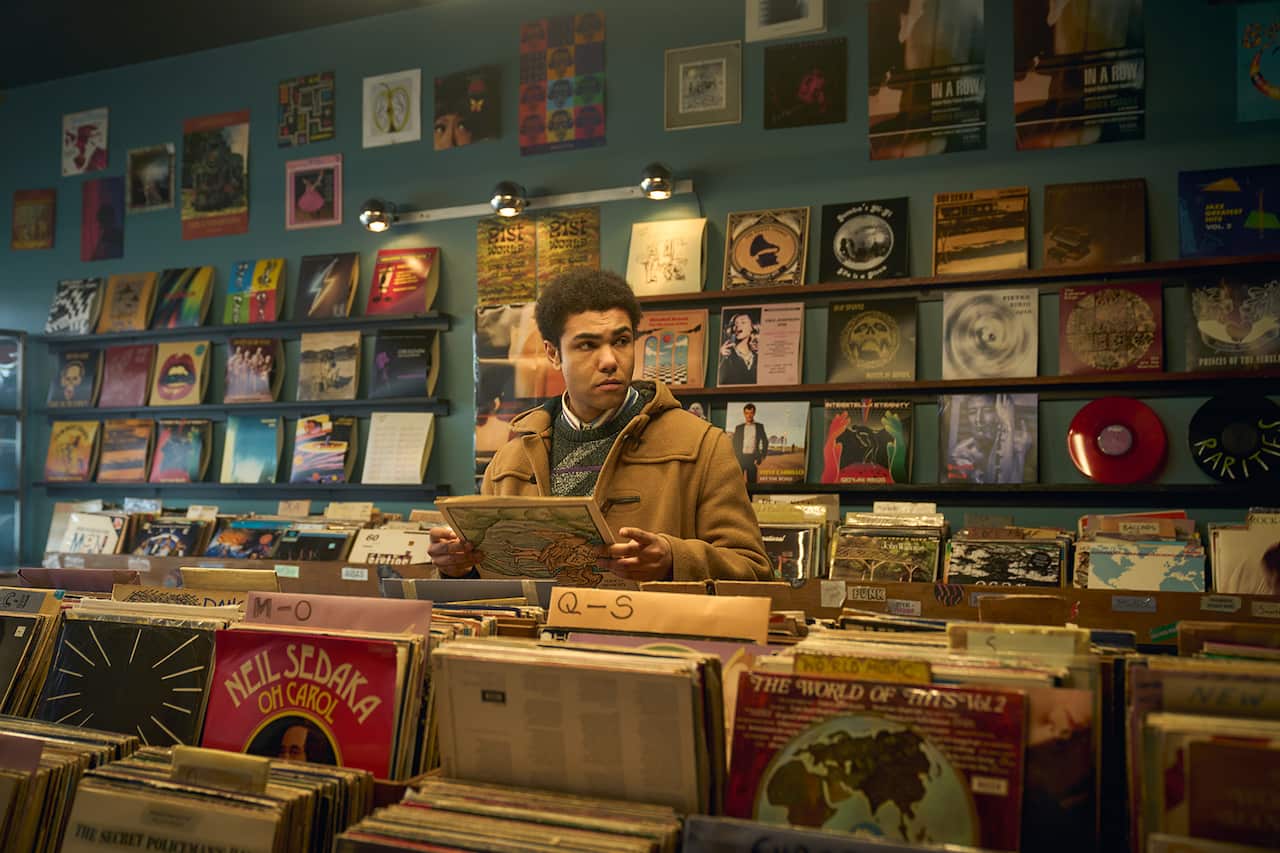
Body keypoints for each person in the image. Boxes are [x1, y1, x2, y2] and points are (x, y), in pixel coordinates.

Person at [430, 268, 771, 582]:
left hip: (650, 643)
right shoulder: (509, 463)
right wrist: (456, 567)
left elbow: (755, 572)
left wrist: (673, 559)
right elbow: (488, 589)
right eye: (587, 345)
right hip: (540, 645)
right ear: (553, 354)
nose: (609, 360)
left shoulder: (702, 445)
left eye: (621, 341)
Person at [732, 403, 769, 485]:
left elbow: (765, 441)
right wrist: (736, 457)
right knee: (737, 485)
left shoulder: (759, 426)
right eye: (747, 413)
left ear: (754, 413)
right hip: (741, 458)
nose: (749, 415)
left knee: (752, 484)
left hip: (753, 459)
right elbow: (734, 443)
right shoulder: (739, 428)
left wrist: (762, 456)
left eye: (751, 413)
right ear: (744, 414)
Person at [718, 312, 758, 385]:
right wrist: (722, 356)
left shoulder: (757, 357)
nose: (737, 326)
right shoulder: (727, 354)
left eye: (743, 322)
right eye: (735, 323)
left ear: (752, 327)